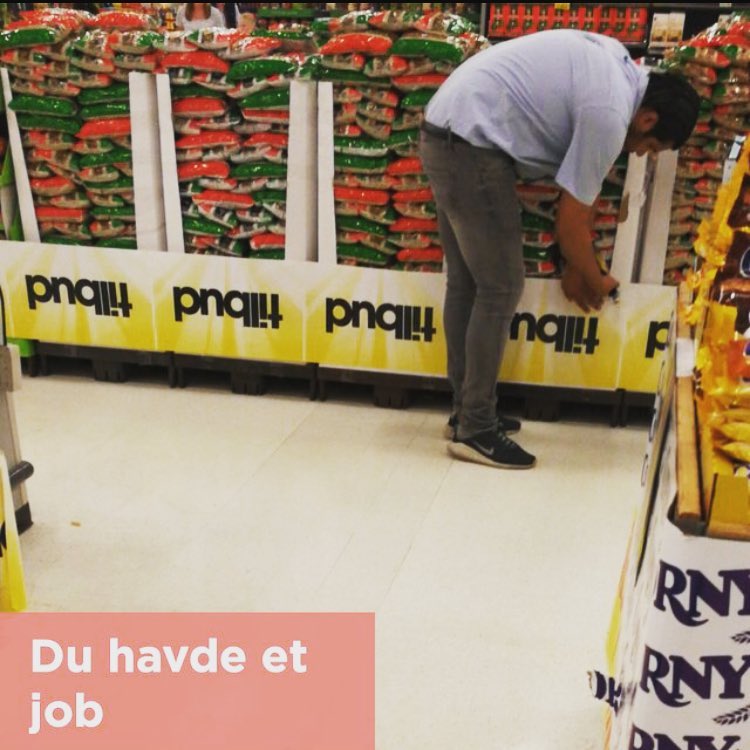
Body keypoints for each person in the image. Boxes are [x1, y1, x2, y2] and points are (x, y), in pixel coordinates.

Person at [420, 29, 699, 471]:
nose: (640, 155)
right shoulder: (610, 115)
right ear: (648, 119)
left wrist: (577, 263)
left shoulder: (619, 67)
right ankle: (475, 427)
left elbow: (582, 194)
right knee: (500, 288)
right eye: (649, 147)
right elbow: (570, 224)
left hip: (446, 131)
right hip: (472, 147)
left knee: (469, 283)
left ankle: (467, 411)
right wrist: (595, 278)